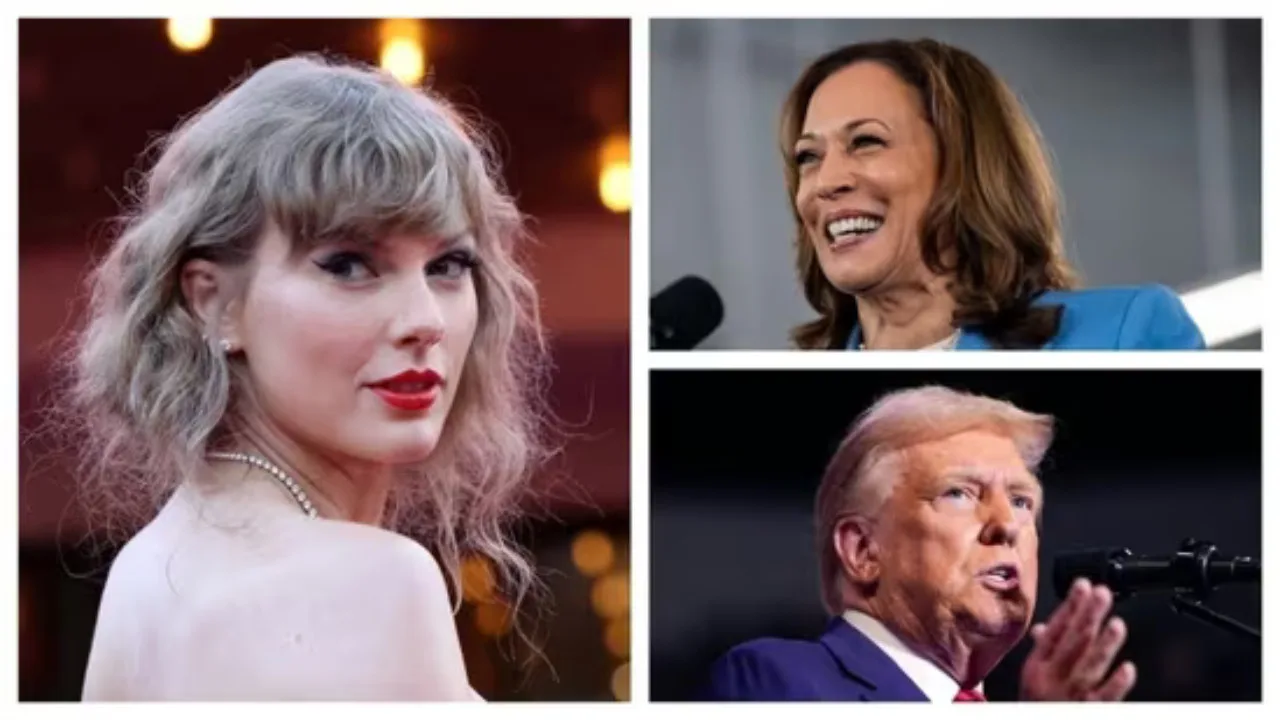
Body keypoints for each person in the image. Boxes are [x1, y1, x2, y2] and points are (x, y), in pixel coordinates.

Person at [59, 54, 550, 700]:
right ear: (213, 301)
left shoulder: (146, 573)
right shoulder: (376, 583)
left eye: (449, 265)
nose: (424, 320)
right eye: (349, 265)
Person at [704, 386, 1137, 701]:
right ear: (862, 551)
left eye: (1022, 501)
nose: (1006, 524)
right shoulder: (779, 680)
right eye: (959, 494)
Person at [780, 38, 1204, 350]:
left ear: (965, 163)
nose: (826, 181)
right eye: (808, 157)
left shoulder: (1124, 336)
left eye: (866, 141)